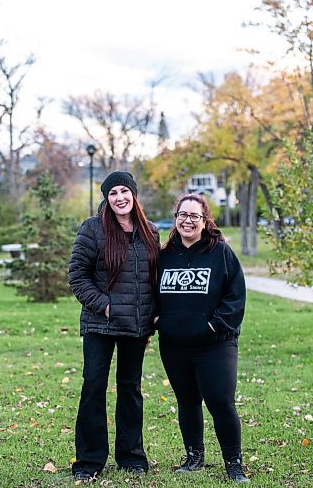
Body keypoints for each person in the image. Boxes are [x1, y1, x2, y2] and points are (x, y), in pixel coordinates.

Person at [68, 171, 159, 482]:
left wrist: (154, 313)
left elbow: (154, 279)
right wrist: (105, 305)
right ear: (106, 199)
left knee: (131, 389)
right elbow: (77, 277)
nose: (120, 197)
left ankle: (131, 456)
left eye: (125, 191)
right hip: (100, 323)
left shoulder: (149, 232)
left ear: (133, 194)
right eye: (113, 193)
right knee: (94, 386)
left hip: (137, 325)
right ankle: (89, 460)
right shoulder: (93, 229)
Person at [155, 194, 249, 483]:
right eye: (182, 215)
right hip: (174, 345)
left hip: (214, 345)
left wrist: (212, 327)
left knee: (221, 402)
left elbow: (235, 298)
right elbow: (149, 293)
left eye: (194, 216)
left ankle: (234, 463)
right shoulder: (164, 255)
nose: (187, 221)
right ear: (176, 219)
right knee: (187, 401)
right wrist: (157, 320)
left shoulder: (220, 252)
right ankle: (194, 456)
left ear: (205, 220)